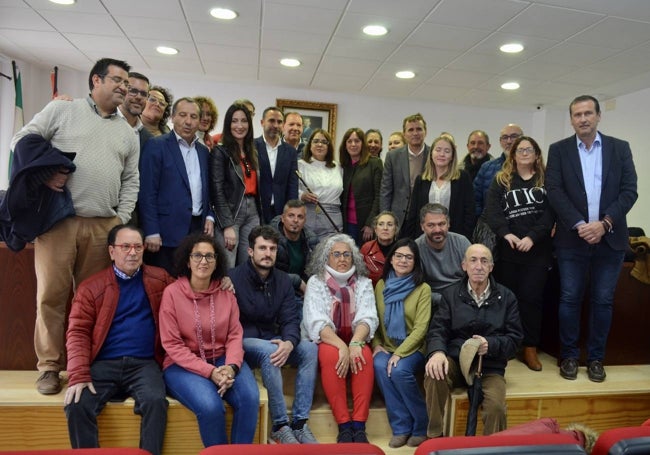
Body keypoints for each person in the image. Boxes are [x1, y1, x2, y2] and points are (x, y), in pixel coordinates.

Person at [10, 57, 140, 394]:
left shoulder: (129, 133)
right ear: (96, 81)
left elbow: (131, 181)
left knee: (93, 301)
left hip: (102, 227)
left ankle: (85, 365)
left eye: (126, 82)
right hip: (57, 224)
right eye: (118, 80)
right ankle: (50, 368)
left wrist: (119, 221)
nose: (123, 87)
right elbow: (20, 141)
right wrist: (44, 172)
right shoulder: (61, 111)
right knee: (50, 297)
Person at [546, 95, 638, 382]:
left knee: (603, 301)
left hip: (610, 241)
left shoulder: (619, 149)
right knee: (570, 299)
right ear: (571, 119)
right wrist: (579, 224)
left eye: (588, 113)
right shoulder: (559, 150)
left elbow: (629, 191)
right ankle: (570, 356)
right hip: (572, 241)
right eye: (577, 114)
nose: (583, 119)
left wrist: (605, 223)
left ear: (598, 116)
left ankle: (597, 359)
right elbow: (554, 190)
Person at [64, 224, 173, 455]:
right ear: (112, 251)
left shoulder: (160, 279)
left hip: (144, 363)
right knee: (76, 404)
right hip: (104, 364)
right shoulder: (91, 288)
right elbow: (77, 333)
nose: (132, 252)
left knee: (156, 402)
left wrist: (221, 282)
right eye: (125, 247)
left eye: (137, 246)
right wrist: (78, 373)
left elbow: (189, 293)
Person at [159, 233, 260, 447]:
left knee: (250, 398)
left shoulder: (226, 293)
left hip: (223, 360)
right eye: (197, 256)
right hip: (182, 365)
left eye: (209, 256)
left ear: (217, 262)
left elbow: (234, 335)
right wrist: (210, 372)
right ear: (187, 260)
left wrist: (231, 367)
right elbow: (172, 345)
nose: (203, 261)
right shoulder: (172, 294)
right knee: (211, 406)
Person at [229, 226, 319, 444]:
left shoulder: (283, 280)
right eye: (262, 248)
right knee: (271, 350)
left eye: (272, 248)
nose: (267, 253)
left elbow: (290, 318)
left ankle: (299, 423)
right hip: (244, 341)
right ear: (250, 251)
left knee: (309, 349)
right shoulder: (233, 278)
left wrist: (289, 342)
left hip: (273, 338)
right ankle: (279, 425)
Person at [424, 243, 523, 438]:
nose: (479, 266)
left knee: (496, 408)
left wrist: (490, 345)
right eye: (473, 260)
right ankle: (434, 436)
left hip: (490, 366)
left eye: (484, 261)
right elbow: (438, 329)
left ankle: (492, 450)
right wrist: (437, 352)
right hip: (455, 360)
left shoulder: (507, 297)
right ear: (464, 265)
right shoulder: (450, 295)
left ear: (491, 267)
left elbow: (515, 340)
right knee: (433, 374)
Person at [485, 136, 554, 372]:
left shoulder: (546, 180)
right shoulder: (501, 180)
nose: (524, 153)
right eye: (520, 150)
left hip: (538, 251)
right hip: (508, 250)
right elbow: (492, 212)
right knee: (507, 299)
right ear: (513, 155)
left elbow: (550, 214)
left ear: (537, 154)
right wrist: (507, 234)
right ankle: (508, 345)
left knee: (532, 300)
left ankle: (530, 347)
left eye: (529, 149)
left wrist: (532, 237)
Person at [302, 233, 379, 443]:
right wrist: (341, 346)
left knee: (363, 355)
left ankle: (359, 425)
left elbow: (368, 316)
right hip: (327, 338)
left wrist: (354, 343)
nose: (342, 258)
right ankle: (344, 424)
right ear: (326, 258)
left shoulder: (363, 283)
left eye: (347, 254)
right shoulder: (316, 283)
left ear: (354, 258)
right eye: (336, 254)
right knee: (331, 355)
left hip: (355, 337)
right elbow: (316, 322)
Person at [139, 97, 214, 274]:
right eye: (182, 115)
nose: (188, 121)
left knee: (190, 282)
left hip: (197, 229)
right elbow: (147, 192)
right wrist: (151, 230)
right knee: (163, 285)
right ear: (172, 117)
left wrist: (210, 215)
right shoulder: (156, 146)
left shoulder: (203, 151)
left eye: (194, 116)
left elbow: (207, 189)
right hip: (165, 233)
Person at [372, 238, 431, 448]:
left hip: (414, 347)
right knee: (379, 364)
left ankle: (421, 425)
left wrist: (399, 353)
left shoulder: (422, 289)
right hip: (386, 345)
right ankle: (401, 426)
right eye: (399, 255)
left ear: (415, 261)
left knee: (398, 370)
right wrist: (376, 344)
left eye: (409, 257)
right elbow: (375, 321)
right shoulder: (381, 285)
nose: (403, 260)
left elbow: (421, 329)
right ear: (391, 258)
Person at [210, 103, 262, 268]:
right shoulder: (220, 152)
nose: (239, 126)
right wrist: (227, 225)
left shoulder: (252, 152)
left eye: (244, 121)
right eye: (234, 121)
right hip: (232, 211)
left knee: (250, 265)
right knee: (228, 266)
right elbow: (216, 190)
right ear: (228, 124)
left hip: (253, 212)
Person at [404, 135, 475, 240]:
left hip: (454, 237)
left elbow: (469, 212)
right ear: (431, 153)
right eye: (438, 150)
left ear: (452, 156)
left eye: (447, 151)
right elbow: (413, 214)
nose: (442, 154)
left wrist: (463, 238)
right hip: (425, 238)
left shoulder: (462, 178)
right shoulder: (421, 180)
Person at [415, 203, 471, 312]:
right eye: (431, 225)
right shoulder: (416, 248)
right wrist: (445, 300)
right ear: (422, 226)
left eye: (442, 224)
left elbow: (476, 276)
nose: (437, 230)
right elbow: (416, 289)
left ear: (448, 224)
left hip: (463, 299)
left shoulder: (462, 242)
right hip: (432, 303)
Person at [380, 114, 429, 229]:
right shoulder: (393, 156)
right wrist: (385, 217)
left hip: (424, 218)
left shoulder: (433, 155)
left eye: (419, 129)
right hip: (399, 218)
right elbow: (386, 190)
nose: (415, 133)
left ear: (425, 132)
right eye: (411, 130)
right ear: (404, 134)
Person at [340, 127, 383, 246]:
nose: (353, 144)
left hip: (365, 226)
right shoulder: (343, 166)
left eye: (357, 141)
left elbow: (379, 196)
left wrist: (370, 223)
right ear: (345, 145)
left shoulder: (375, 163)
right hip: (345, 224)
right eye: (349, 141)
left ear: (363, 144)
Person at [255, 107, 298, 223]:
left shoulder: (290, 151)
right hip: (257, 210)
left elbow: (292, 184)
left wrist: (292, 212)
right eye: (271, 121)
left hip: (281, 211)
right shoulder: (252, 147)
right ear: (262, 122)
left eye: (279, 122)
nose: (275, 125)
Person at [270, 200, 320, 299]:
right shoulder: (270, 239)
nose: (295, 220)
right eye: (291, 216)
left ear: (305, 220)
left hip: (303, 293)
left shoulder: (312, 240)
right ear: (283, 218)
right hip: (276, 291)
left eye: (300, 217)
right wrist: (297, 281)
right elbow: (266, 273)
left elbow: (317, 271)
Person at [298, 129, 343, 236]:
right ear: (310, 144)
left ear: (329, 146)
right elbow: (291, 189)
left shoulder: (338, 167)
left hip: (333, 216)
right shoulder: (300, 164)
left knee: (331, 249)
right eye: (316, 141)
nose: (319, 144)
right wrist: (302, 195)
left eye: (324, 142)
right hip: (309, 212)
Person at [473, 124, 523, 216]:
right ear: (500, 142)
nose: (509, 141)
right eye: (505, 137)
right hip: (491, 226)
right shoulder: (486, 167)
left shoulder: (532, 168)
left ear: (523, 140)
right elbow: (475, 200)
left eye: (513, 136)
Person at [360, 211, 399, 287]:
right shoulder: (366, 248)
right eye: (381, 224)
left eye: (390, 225)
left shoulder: (403, 249)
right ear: (375, 229)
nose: (385, 228)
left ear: (396, 229)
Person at [117, 72, 153, 150]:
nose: (139, 97)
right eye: (133, 91)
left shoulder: (148, 138)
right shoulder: (103, 121)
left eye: (143, 94)